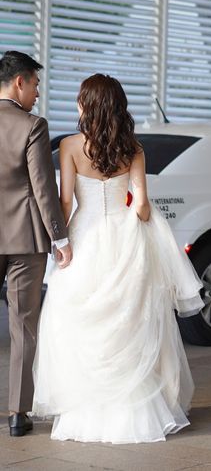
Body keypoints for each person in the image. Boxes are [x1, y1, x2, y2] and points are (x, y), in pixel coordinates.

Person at [31, 74, 204, 444]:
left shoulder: (70, 146)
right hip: (125, 241)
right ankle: (136, 411)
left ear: (88, 105)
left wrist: (61, 242)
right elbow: (141, 206)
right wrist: (141, 220)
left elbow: (65, 203)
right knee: (130, 325)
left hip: (84, 237)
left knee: (76, 324)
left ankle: (86, 409)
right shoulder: (134, 149)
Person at [0, 51, 73, 437]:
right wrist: (60, 238)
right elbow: (44, 187)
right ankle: (17, 414)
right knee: (24, 326)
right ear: (20, 82)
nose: (38, 93)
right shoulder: (32, 126)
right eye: (36, 84)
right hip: (25, 238)